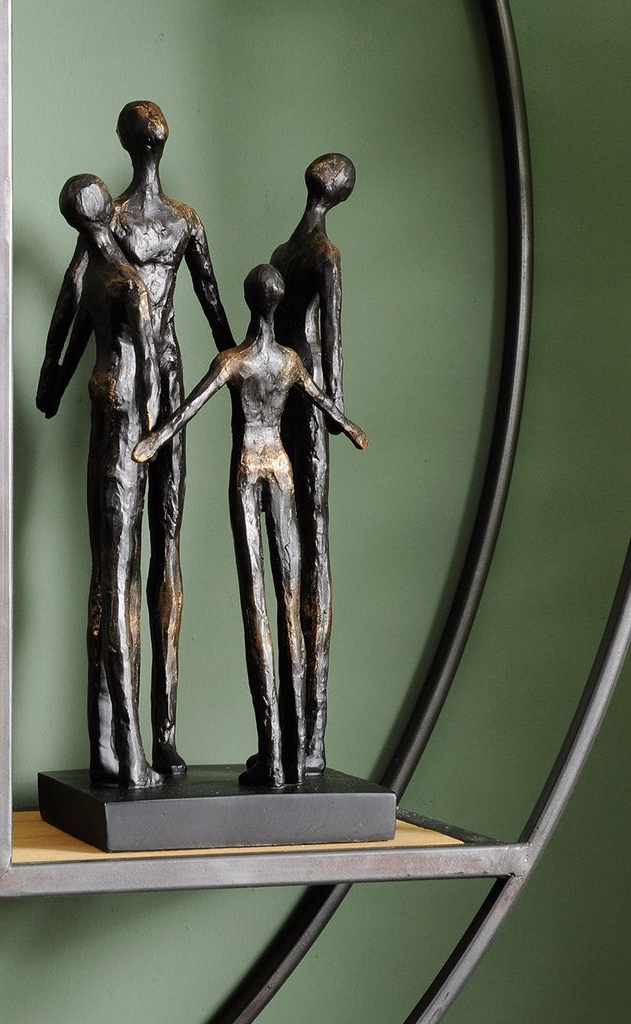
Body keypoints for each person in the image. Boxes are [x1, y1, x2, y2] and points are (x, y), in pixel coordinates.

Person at [40, 100, 234, 778]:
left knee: (145, 557)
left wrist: (52, 382)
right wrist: (54, 381)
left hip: (156, 387)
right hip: (146, 386)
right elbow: (79, 302)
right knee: (135, 559)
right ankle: (125, 743)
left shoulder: (172, 221)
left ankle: (160, 734)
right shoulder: (119, 224)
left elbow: (208, 304)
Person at [134, 265, 367, 788]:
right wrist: (349, 427)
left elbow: (188, 408)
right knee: (290, 606)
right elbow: (323, 403)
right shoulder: (288, 361)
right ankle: (290, 756)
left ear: (248, 300)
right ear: (278, 303)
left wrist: (154, 440)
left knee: (257, 604)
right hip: (280, 466)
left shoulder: (234, 361)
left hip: (247, 467)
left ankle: (276, 753)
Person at [36, 174, 164, 789]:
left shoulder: (85, 276)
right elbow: (152, 378)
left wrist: (55, 387)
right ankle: (132, 755)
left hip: (102, 425)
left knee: (105, 582)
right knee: (119, 587)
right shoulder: (128, 284)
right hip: (127, 435)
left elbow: (57, 352)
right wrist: (157, 439)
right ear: (109, 212)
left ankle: (105, 748)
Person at [270, 153, 356, 774]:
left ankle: (299, 735)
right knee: (312, 543)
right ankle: (309, 737)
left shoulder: (283, 252)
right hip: (307, 390)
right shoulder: (324, 254)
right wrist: (337, 407)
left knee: (291, 545)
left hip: (280, 391)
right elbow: (332, 334)